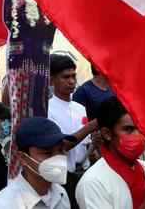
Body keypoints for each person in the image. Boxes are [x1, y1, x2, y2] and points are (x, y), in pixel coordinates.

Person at [75, 97, 145, 209]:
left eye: (141, 128)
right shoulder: (93, 183)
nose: (138, 135)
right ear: (107, 133)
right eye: (128, 129)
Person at [47, 52, 98, 208]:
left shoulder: (80, 108)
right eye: (65, 77)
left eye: (73, 76)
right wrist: (89, 127)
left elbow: (87, 145)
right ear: (52, 80)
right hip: (64, 177)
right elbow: (60, 146)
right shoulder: (48, 109)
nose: (71, 81)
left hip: (86, 173)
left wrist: (95, 143)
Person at [0, 117, 70, 208]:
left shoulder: (61, 194)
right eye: (47, 153)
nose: (57, 158)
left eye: (61, 150)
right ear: (23, 158)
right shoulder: (3, 205)